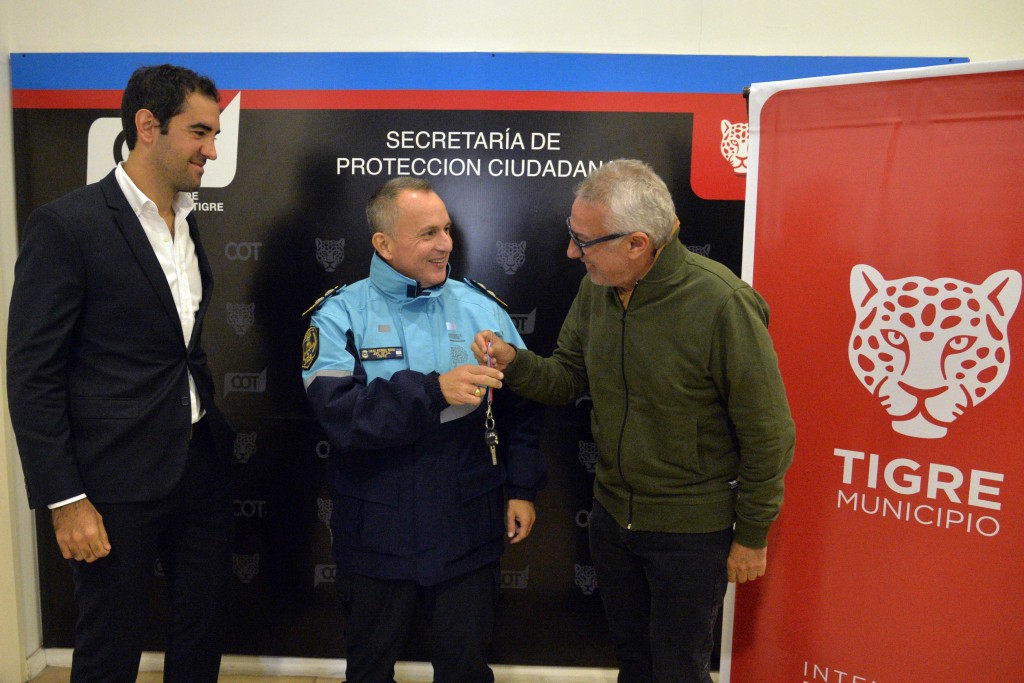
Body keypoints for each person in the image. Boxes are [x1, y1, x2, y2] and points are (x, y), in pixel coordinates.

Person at [471, 159, 795, 683]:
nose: (571, 251)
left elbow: (769, 433)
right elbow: (566, 379)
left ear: (637, 244)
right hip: (612, 520)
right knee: (633, 661)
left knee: (678, 670)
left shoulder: (722, 304)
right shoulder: (596, 289)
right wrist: (515, 362)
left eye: (584, 241)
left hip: (690, 533)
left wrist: (752, 534)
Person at [7, 64, 235, 681]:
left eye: (215, 135)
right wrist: (65, 500)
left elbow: (180, 347)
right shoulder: (68, 225)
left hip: (198, 465)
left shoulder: (187, 221)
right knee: (110, 648)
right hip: (112, 483)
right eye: (200, 133)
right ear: (148, 126)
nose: (212, 151)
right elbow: (33, 374)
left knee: (202, 633)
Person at [301, 176, 545, 683]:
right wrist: (433, 391)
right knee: (369, 671)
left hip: (468, 525)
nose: (445, 245)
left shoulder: (482, 307)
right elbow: (341, 414)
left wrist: (522, 488)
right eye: (428, 233)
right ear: (384, 243)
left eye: (447, 230)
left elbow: (522, 408)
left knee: (465, 669)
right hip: (377, 531)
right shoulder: (339, 313)